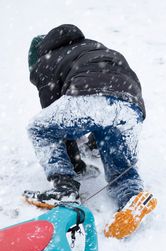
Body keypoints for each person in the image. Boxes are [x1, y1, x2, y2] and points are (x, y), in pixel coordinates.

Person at [24, 24, 157, 239]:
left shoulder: (45, 62)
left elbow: (56, 123)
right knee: (120, 170)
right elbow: (111, 86)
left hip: (89, 96)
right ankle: (132, 196)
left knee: (40, 129)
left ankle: (64, 188)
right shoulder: (93, 47)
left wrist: (74, 163)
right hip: (131, 106)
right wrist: (98, 142)